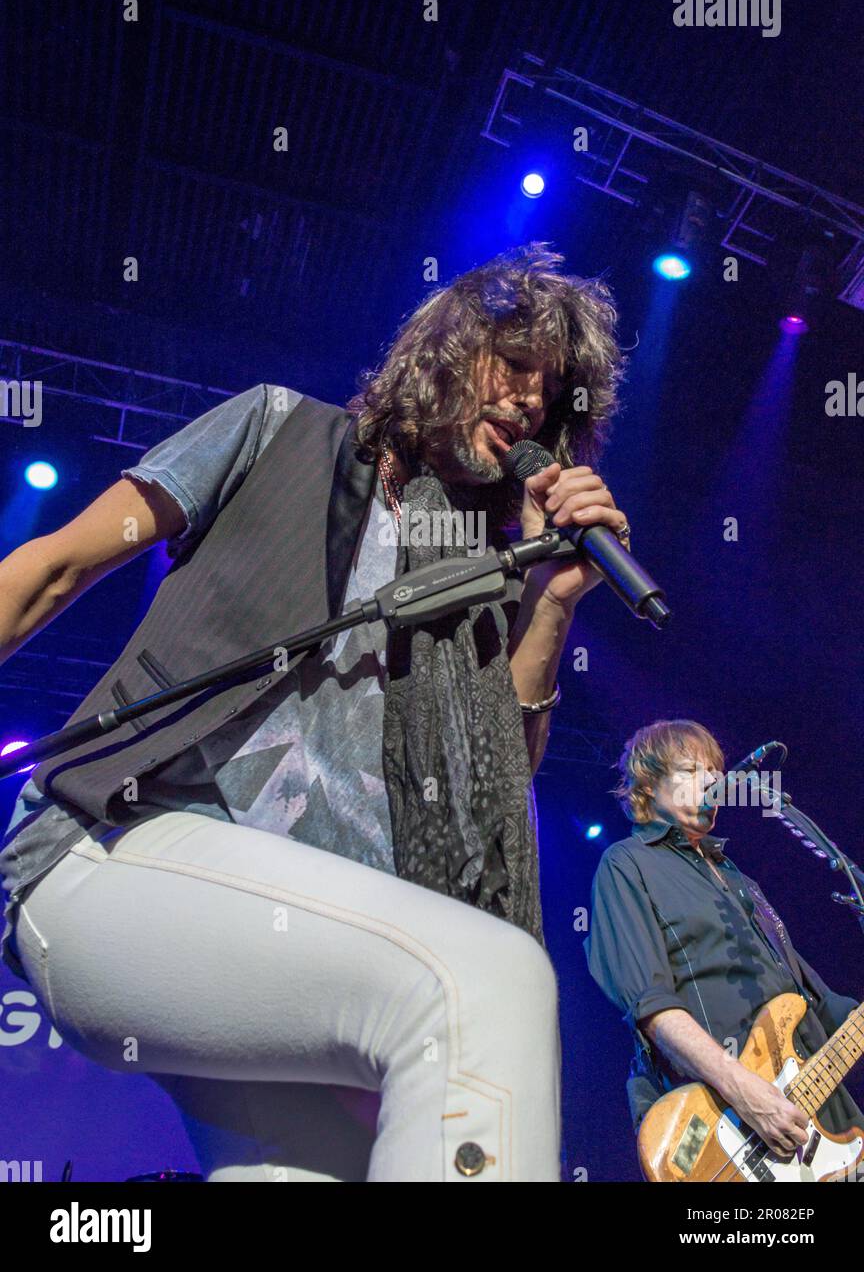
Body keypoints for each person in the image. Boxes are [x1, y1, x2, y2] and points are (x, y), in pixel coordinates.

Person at [0, 242, 628, 1182]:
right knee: (484, 981)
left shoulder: (481, 568)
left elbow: (500, 783)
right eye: (515, 362)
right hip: (116, 848)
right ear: (443, 350)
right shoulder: (278, 430)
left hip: (288, 974)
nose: (533, 399)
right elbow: (55, 569)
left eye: (553, 386)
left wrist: (553, 599)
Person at [585, 718, 864, 1165]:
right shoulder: (626, 865)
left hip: (815, 1107)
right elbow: (651, 1006)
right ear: (648, 786)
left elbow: (816, 1000)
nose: (714, 780)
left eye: (715, 771)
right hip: (727, 1124)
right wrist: (747, 1092)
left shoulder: (738, 879)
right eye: (692, 770)